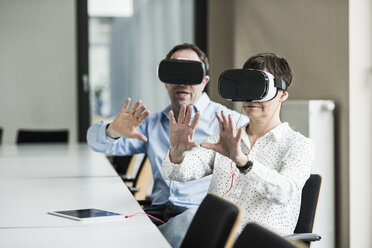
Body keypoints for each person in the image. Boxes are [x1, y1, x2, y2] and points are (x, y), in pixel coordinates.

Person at [160, 53, 315, 247]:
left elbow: (285, 193)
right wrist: (177, 152)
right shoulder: (224, 139)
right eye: (246, 86)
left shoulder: (298, 145)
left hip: (257, 242)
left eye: (259, 88)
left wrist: (244, 162)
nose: (251, 96)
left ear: (282, 94)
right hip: (214, 237)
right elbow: (177, 173)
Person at [86, 43, 248, 225]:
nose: (182, 81)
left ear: (204, 81)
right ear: (165, 82)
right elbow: (95, 143)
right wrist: (112, 131)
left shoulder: (231, 123)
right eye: (175, 72)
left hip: (198, 217)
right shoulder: (151, 125)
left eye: (190, 73)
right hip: (157, 213)